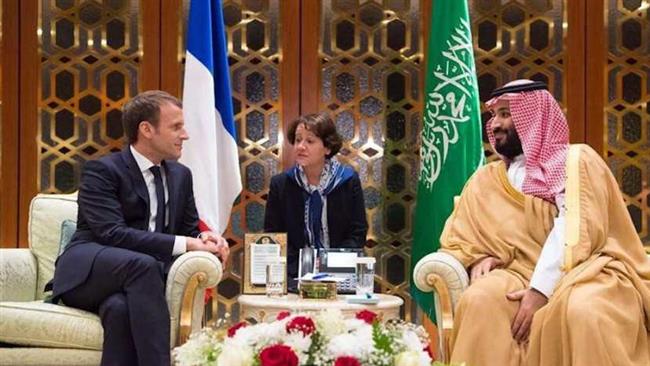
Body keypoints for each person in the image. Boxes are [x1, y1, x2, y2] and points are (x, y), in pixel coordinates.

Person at [439, 79, 650, 366]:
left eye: (506, 114)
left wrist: (540, 291)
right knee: (480, 299)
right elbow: (460, 237)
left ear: (534, 116)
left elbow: (574, 228)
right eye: (494, 115)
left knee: (583, 310)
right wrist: (477, 258)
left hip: (585, 270)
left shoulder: (575, 161)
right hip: (515, 271)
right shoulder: (485, 179)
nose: (496, 124)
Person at [49, 90, 230, 366]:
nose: (185, 135)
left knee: (119, 309)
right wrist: (187, 243)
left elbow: (188, 229)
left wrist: (205, 238)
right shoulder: (102, 171)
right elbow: (111, 233)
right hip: (88, 271)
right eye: (176, 127)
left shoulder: (181, 175)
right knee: (143, 265)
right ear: (146, 129)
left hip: (137, 282)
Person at [264, 113, 368, 279]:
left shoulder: (348, 180)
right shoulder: (281, 184)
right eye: (298, 140)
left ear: (327, 148)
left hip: (341, 274)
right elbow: (274, 236)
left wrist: (330, 266)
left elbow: (357, 233)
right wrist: (303, 268)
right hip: (294, 275)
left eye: (310, 141)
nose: (300, 146)